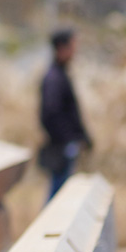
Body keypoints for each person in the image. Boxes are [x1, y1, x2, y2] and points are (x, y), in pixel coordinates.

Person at [39, 27, 92, 199]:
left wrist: (82, 136)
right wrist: (68, 140)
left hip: (66, 146)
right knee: (57, 199)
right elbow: (49, 115)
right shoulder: (54, 78)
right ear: (61, 48)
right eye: (73, 45)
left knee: (62, 196)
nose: (75, 50)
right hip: (62, 148)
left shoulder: (60, 75)